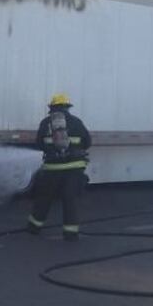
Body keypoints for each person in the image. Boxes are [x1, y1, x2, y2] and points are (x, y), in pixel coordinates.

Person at [27, 93, 92, 241]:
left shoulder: (45, 123)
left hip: (52, 169)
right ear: (67, 107)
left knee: (44, 198)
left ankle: (34, 228)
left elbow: (39, 144)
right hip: (74, 169)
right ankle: (70, 232)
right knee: (70, 200)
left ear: (52, 108)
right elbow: (87, 142)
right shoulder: (76, 122)